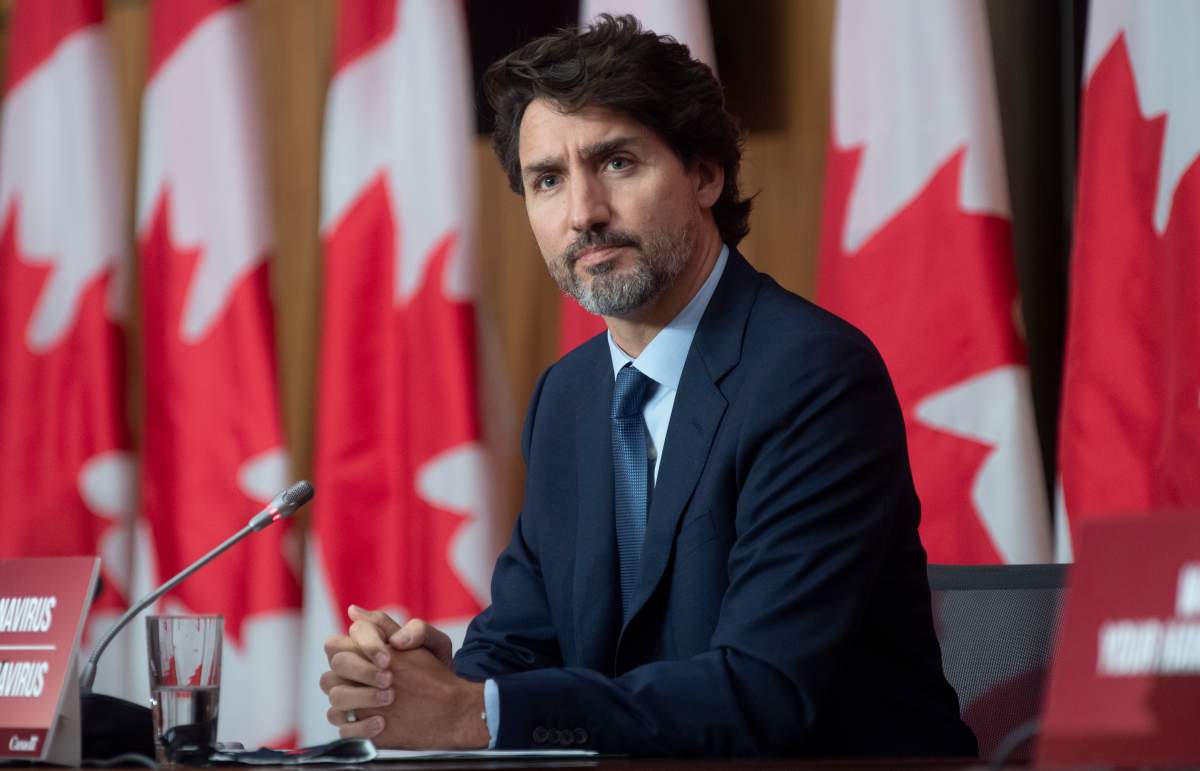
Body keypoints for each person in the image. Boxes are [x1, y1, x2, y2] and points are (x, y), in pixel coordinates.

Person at [319, 14, 977, 757]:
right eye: (548, 180)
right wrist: (432, 678)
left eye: (618, 163)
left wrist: (480, 712)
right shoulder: (568, 398)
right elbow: (522, 645)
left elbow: (760, 691)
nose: (583, 213)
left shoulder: (811, 376)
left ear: (704, 173)